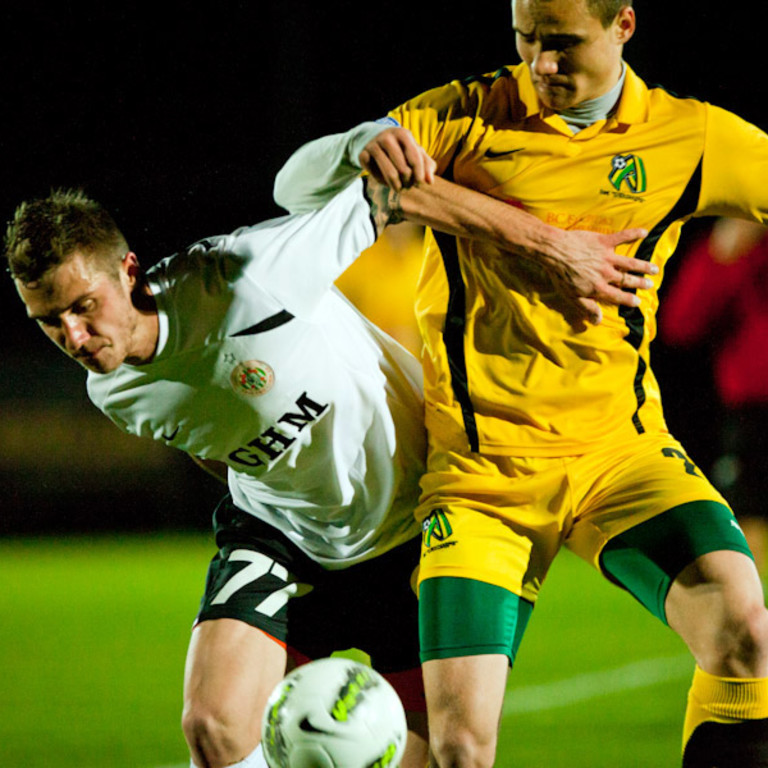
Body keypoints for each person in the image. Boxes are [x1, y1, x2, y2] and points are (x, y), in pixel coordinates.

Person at [5, 157, 651, 766]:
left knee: (449, 751)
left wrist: (551, 247)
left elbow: (389, 194)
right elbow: (210, 445)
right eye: (49, 322)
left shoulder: (244, 276)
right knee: (214, 726)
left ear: (128, 269)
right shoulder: (111, 388)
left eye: (82, 307)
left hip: (409, 523)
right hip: (283, 534)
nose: (75, 338)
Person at [274, 1, 768, 766]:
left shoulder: (691, 135)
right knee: (459, 744)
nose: (540, 63)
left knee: (743, 627)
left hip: (620, 455)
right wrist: (360, 140)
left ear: (623, 27)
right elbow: (293, 186)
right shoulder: (467, 114)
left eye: (562, 43)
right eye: (526, 40)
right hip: (482, 479)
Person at [662, 218, 768, 573]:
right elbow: (681, 325)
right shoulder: (737, 243)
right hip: (753, 409)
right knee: (749, 519)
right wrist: (723, 255)